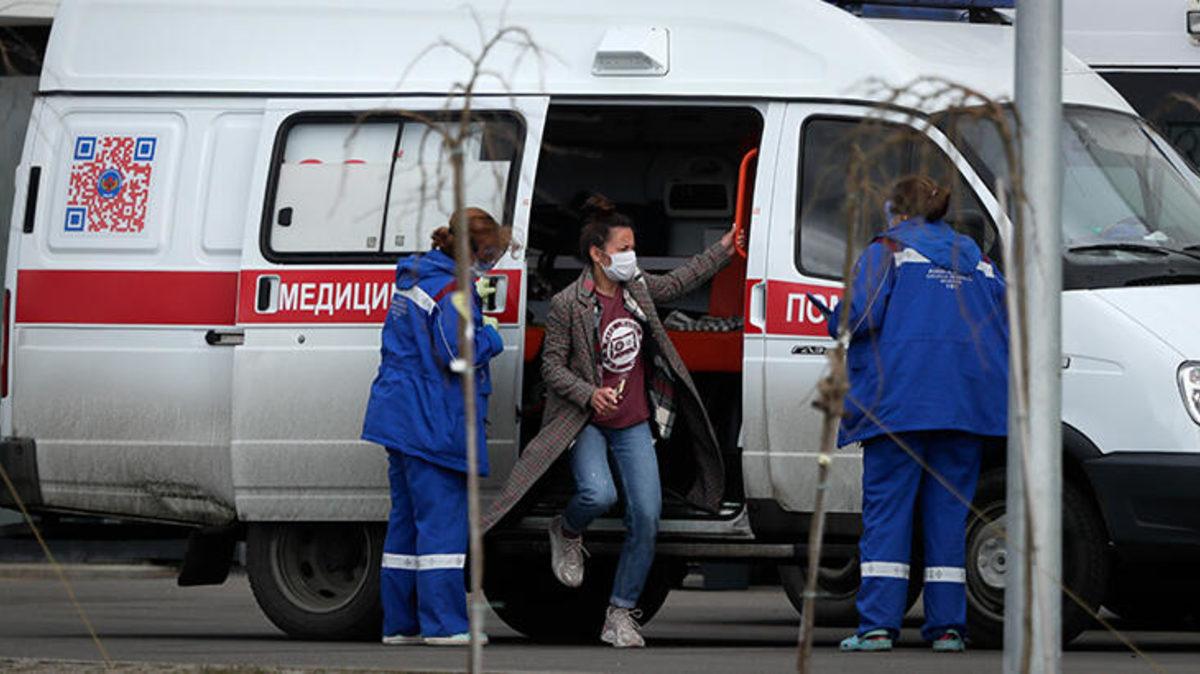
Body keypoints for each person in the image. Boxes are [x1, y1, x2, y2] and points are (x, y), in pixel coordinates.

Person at [483, 194, 739, 648]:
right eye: (623, 249)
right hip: (586, 421)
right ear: (598, 255)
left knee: (647, 514)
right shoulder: (568, 304)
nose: (630, 257)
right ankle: (566, 528)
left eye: (632, 248)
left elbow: (680, 281)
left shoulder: (637, 286)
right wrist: (589, 394)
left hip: (634, 421)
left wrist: (722, 249)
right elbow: (552, 369)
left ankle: (619, 614)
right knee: (597, 494)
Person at [830, 176, 1008, 653]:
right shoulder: (978, 260)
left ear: (899, 211)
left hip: (899, 407)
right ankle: (948, 628)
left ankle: (877, 627)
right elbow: (1007, 320)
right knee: (948, 518)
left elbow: (857, 315)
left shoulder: (888, 250)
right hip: (965, 409)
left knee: (888, 517)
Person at [361, 208, 508, 647]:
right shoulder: (452, 290)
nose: (494, 261)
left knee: (405, 527)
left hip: (399, 417)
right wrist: (492, 338)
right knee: (442, 527)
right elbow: (456, 354)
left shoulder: (414, 278)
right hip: (433, 422)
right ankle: (445, 626)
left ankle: (400, 624)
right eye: (492, 253)